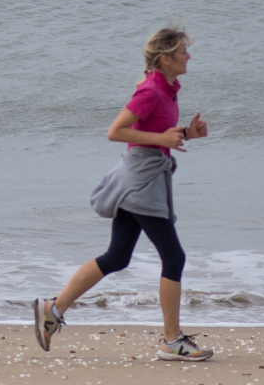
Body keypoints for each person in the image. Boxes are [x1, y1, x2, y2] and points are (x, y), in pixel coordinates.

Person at [32, 26, 213, 362]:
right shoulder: (150, 92)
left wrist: (186, 133)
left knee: (117, 256)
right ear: (165, 58)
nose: (189, 56)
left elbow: (150, 131)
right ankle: (171, 342)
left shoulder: (167, 88)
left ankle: (52, 309)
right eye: (183, 52)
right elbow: (116, 132)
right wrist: (163, 141)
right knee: (174, 258)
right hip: (142, 180)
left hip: (143, 176)